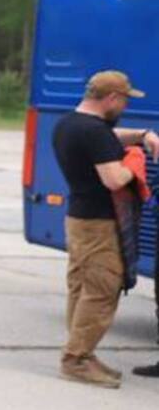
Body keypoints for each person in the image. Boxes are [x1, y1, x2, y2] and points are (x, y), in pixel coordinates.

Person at [51, 70, 159, 388]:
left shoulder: (69, 123)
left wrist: (141, 135)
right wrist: (135, 163)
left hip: (79, 218)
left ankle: (81, 351)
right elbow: (113, 179)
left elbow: (107, 137)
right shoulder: (93, 132)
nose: (124, 106)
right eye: (124, 100)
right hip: (99, 224)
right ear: (111, 98)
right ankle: (76, 360)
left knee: (82, 288)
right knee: (101, 290)